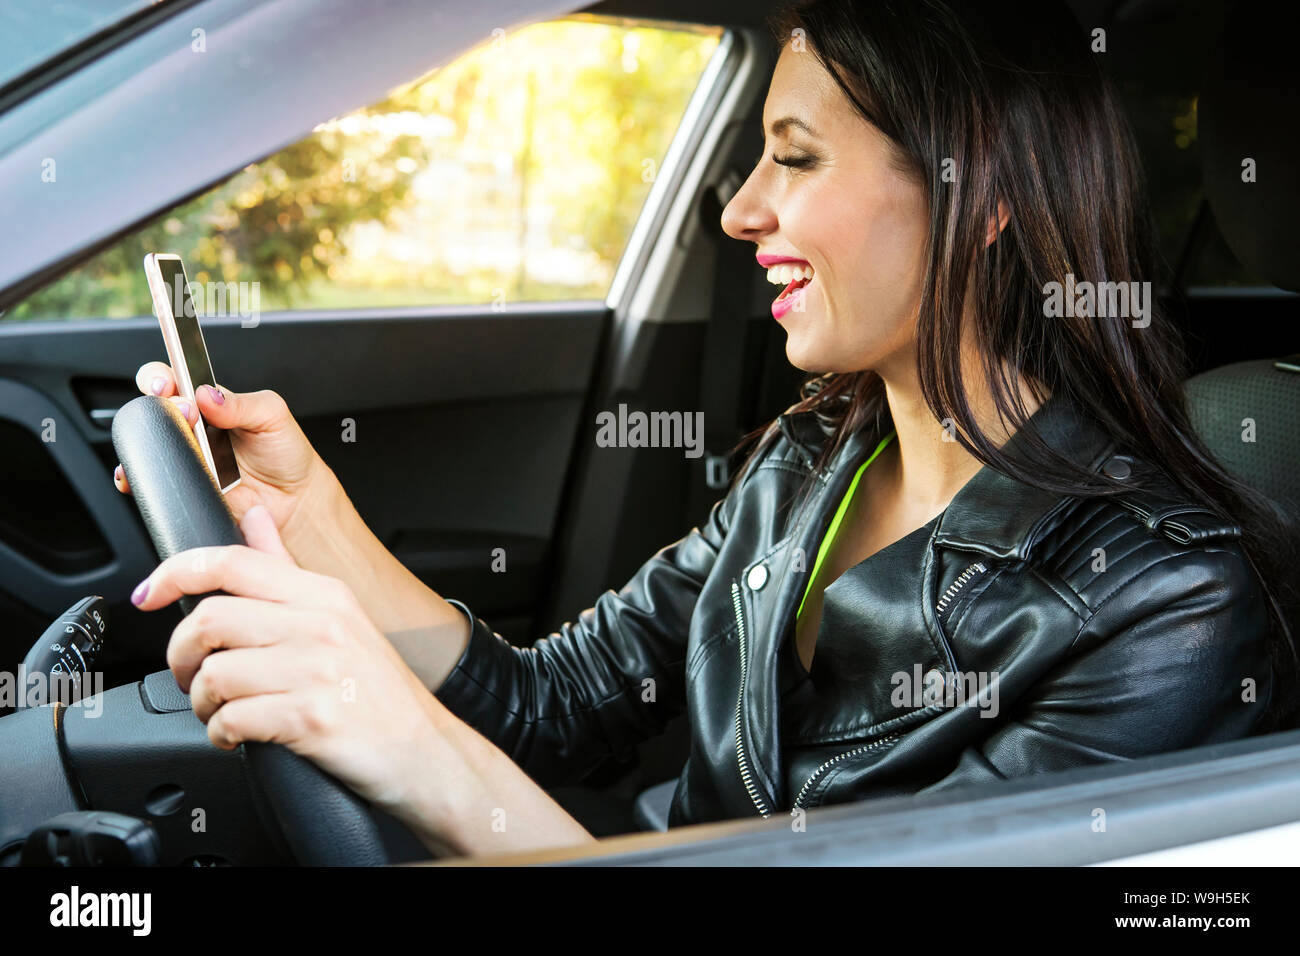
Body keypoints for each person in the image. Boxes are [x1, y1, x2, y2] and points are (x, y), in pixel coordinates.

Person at [112, 0, 1298, 858]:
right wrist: (311, 513)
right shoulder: (806, 463)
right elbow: (543, 708)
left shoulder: (1164, 601)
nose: (739, 208)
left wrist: (413, 750)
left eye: (795, 157)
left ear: (978, 196)